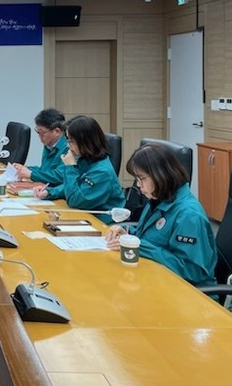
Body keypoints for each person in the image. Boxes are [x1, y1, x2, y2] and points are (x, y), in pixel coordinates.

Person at [105, 143, 217, 287]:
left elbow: (193, 271)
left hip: (188, 292)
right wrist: (126, 233)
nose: (138, 185)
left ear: (160, 175)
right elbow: (151, 237)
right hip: (156, 278)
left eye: (142, 179)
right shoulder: (158, 199)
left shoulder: (189, 215)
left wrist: (140, 247)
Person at [34, 115, 124, 221]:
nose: (68, 146)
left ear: (86, 142)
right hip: (85, 216)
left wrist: (70, 166)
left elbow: (75, 201)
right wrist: (50, 192)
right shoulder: (85, 159)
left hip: (103, 223)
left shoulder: (102, 172)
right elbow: (75, 185)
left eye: (71, 141)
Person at [13, 108, 68, 187]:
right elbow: (44, 170)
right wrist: (26, 169)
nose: (39, 136)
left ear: (57, 131)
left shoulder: (68, 149)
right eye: (38, 132)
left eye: (42, 132)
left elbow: (59, 176)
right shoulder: (49, 145)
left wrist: (31, 174)